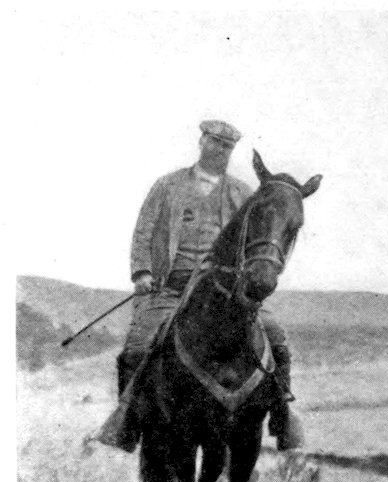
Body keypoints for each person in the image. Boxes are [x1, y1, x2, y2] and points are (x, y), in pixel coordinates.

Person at [114, 119, 300, 450]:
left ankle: (283, 417)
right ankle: (127, 422)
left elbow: (259, 236)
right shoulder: (167, 186)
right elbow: (144, 231)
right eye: (215, 142)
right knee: (139, 344)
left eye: (227, 146)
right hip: (171, 288)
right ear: (201, 142)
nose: (220, 150)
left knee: (276, 336)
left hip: (225, 290)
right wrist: (142, 273)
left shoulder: (242, 193)